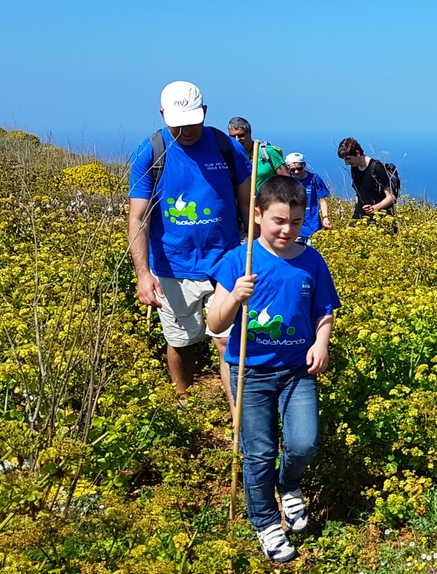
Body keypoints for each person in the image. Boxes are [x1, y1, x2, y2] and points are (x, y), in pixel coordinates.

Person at [207, 175, 339, 563]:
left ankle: (289, 483)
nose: (287, 230)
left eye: (296, 222)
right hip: (250, 371)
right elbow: (215, 324)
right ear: (258, 215)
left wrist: (321, 342)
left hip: (298, 369)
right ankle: (265, 521)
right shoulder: (238, 259)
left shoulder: (312, 260)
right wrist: (235, 296)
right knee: (259, 453)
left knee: (304, 442)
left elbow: (324, 311)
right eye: (279, 220)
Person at [128, 81, 252, 416]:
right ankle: (185, 403)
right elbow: (138, 216)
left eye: (193, 120)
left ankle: (237, 414)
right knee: (181, 341)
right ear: (163, 116)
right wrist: (143, 274)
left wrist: (257, 255)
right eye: (177, 122)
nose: (186, 129)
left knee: (228, 340)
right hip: (172, 267)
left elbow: (246, 202)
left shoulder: (227, 148)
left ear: (206, 113)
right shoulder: (150, 152)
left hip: (224, 262)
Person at [337, 137, 396, 220]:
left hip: (379, 217)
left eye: (348, 159)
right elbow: (359, 192)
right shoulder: (354, 167)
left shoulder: (377, 168)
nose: (346, 163)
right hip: (360, 215)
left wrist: (374, 208)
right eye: (344, 160)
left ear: (357, 153)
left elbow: (391, 197)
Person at [228, 116, 289, 191]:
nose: (237, 140)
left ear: (249, 133)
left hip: (269, 199)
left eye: (241, 135)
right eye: (233, 137)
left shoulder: (267, 151)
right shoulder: (231, 156)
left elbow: (287, 179)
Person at [284, 152, 331, 242]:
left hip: (313, 225)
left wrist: (325, 217)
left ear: (304, 165)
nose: (296, 172)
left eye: (299, 168)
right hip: (295, 227)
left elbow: (322, 200)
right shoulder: (289, 181)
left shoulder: (314, 179)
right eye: (293, 170)